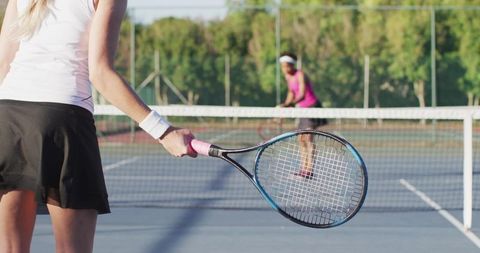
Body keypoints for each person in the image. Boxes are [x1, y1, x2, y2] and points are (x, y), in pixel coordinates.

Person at [0, 0, 197, 252]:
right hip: (62, 120)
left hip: (7, 119)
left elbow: (4, 64)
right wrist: (164, 132)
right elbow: (101, 73)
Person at [277, 52, 327, 179]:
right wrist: (286, 104)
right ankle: (303, 169)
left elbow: (303, 94)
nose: (285, 69)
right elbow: (291, 93)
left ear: (291, 65)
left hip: (312, 108)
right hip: (302, 110)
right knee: (301, 139)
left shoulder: (300, 75)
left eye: (286, 66)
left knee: (308, 138)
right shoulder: (288, 76)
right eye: (282, 66)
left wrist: (290, 105)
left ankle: (309, 170)